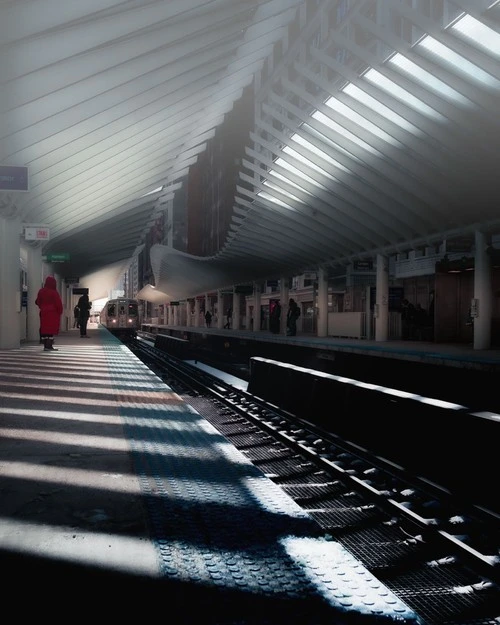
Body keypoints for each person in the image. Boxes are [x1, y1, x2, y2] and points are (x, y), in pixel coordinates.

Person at [35, 276, 63, 351]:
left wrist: (42, 307)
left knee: (45, 329)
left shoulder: (41, 291)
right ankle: (49, 346)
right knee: (51, 329)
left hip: (44, 312)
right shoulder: (54, 292)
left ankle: (45, 345)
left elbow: (37, 301)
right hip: (53, 313)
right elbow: (58, 303)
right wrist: (60, 311)